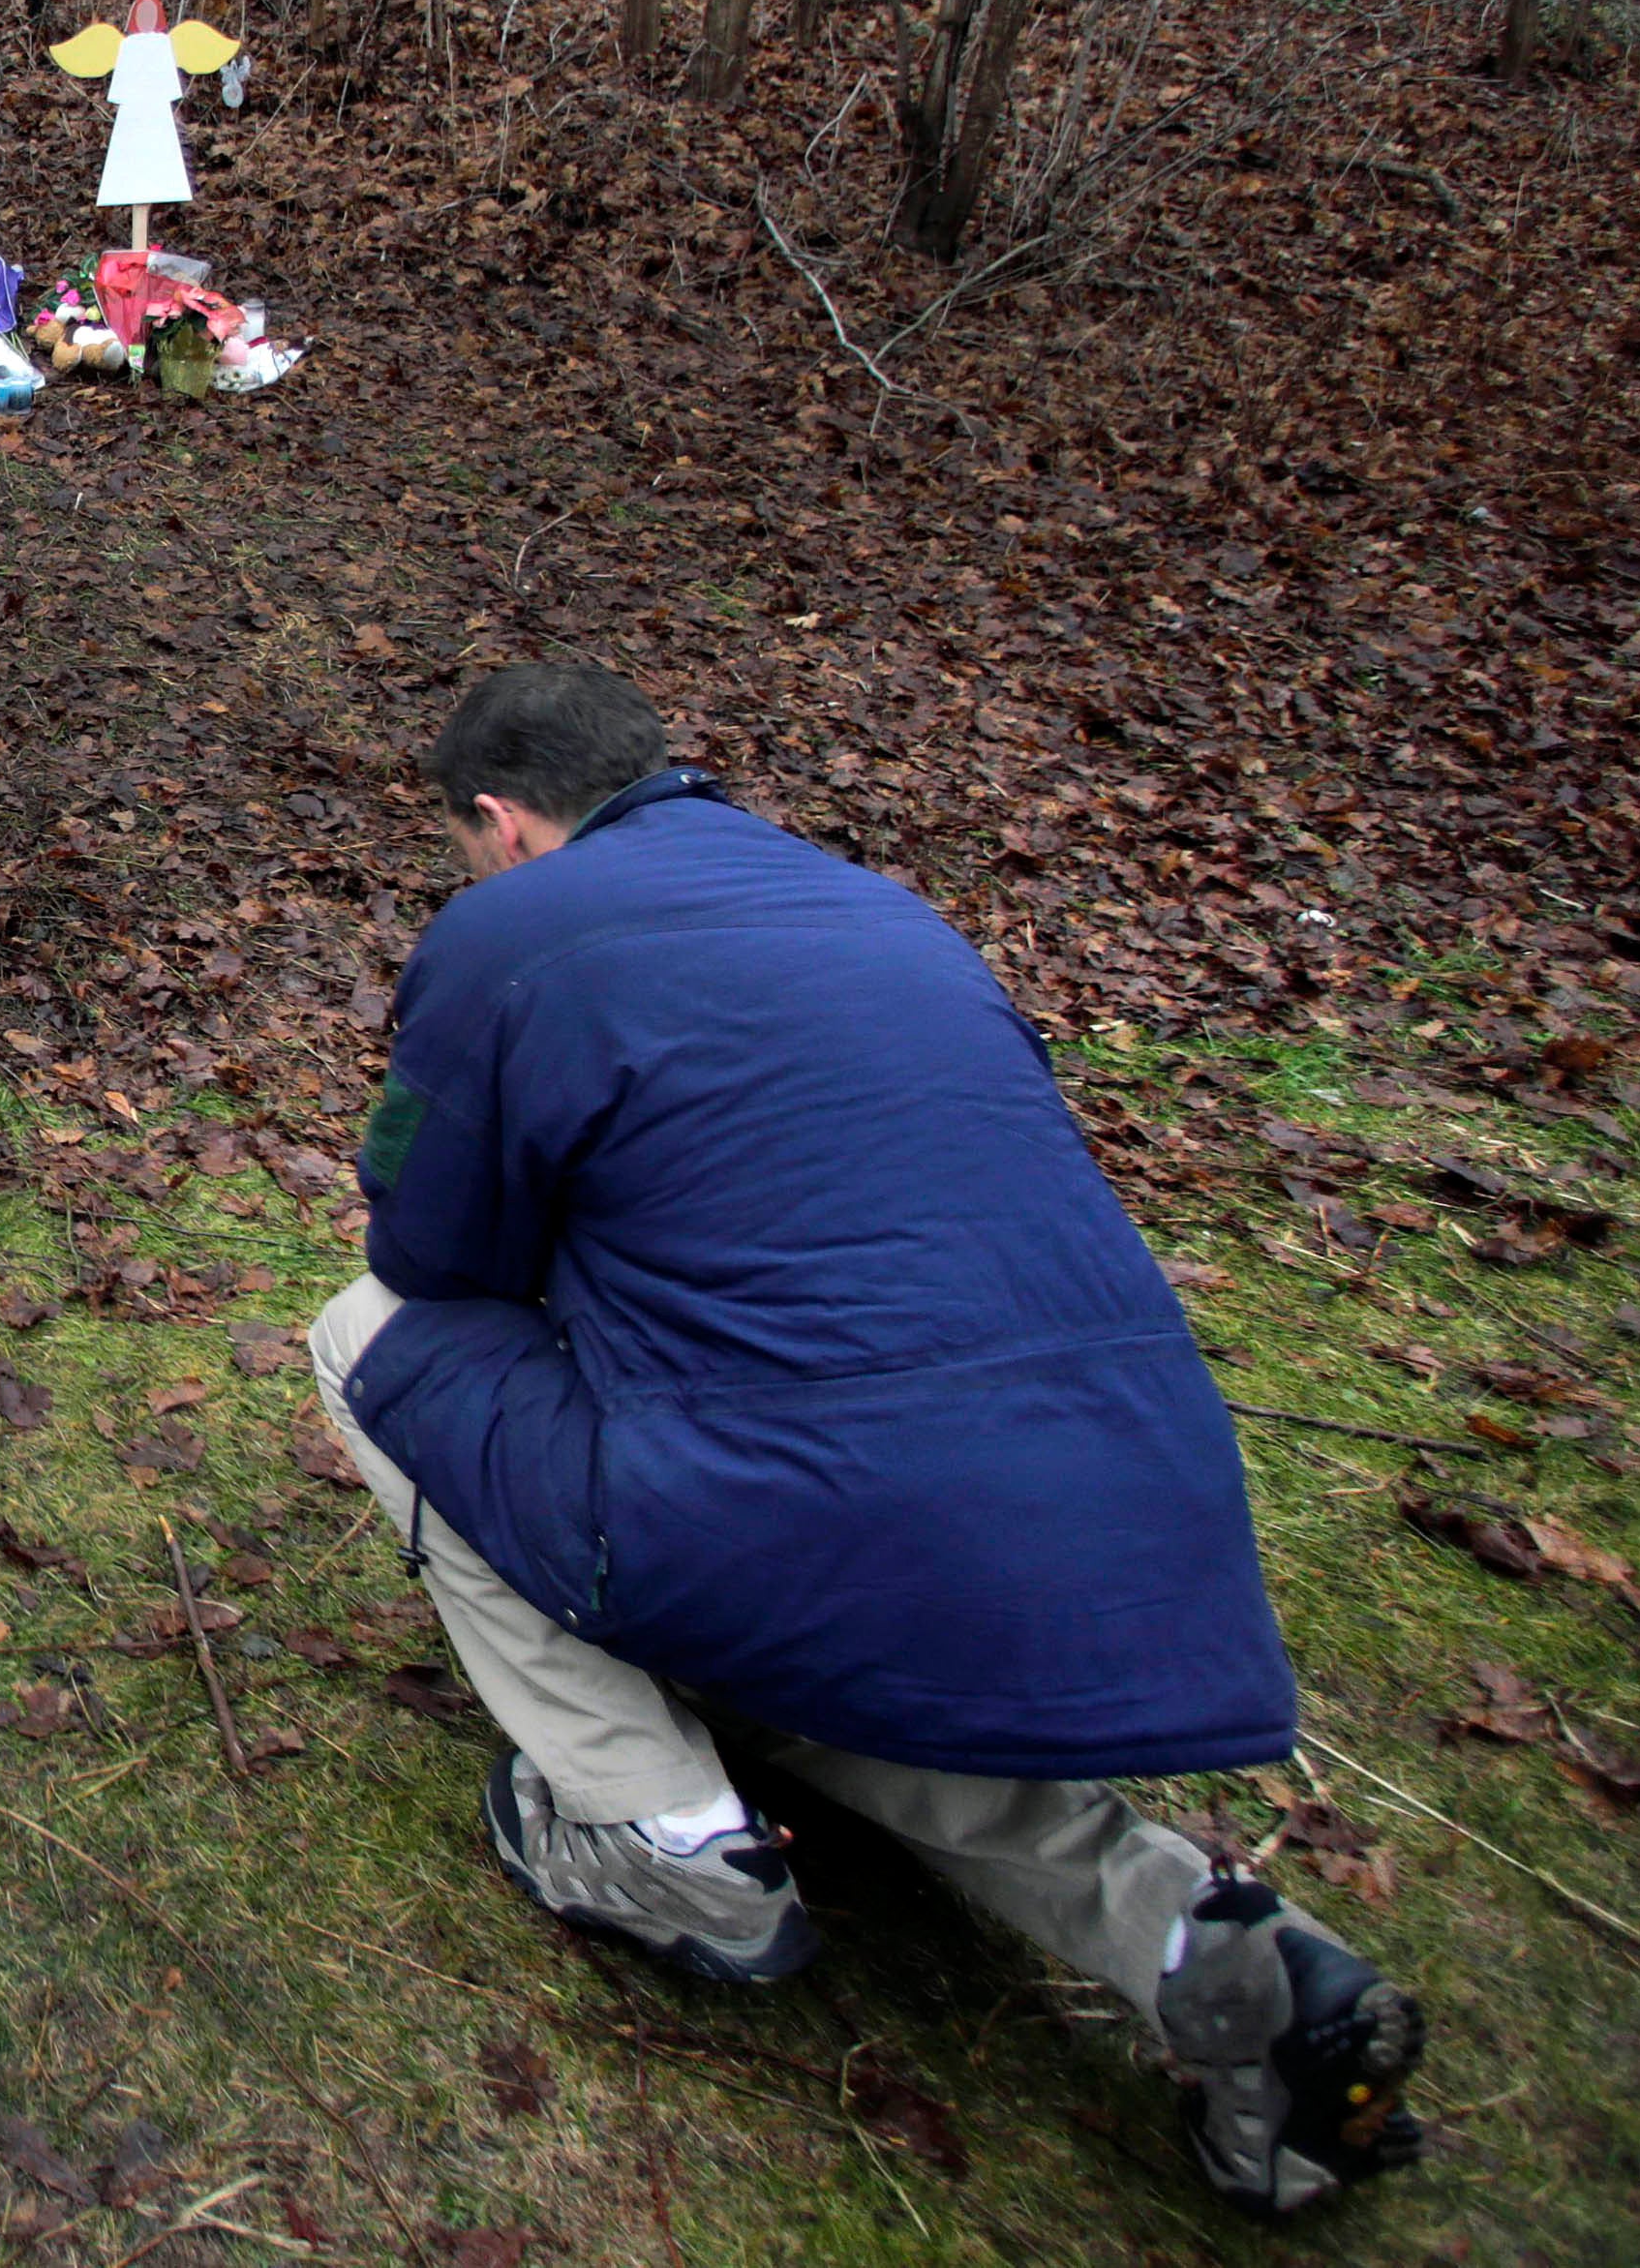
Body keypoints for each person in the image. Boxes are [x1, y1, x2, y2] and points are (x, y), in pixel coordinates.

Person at [316, 663, 1425, 2218]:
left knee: (364, 1336)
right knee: (845, 1637)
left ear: (499, 824)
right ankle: (1201, 1940)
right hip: (1111, 1510)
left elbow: (436, 1258)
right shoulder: (880, 907)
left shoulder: (506, 930)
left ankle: (661, 1831)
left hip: (791, 1500)